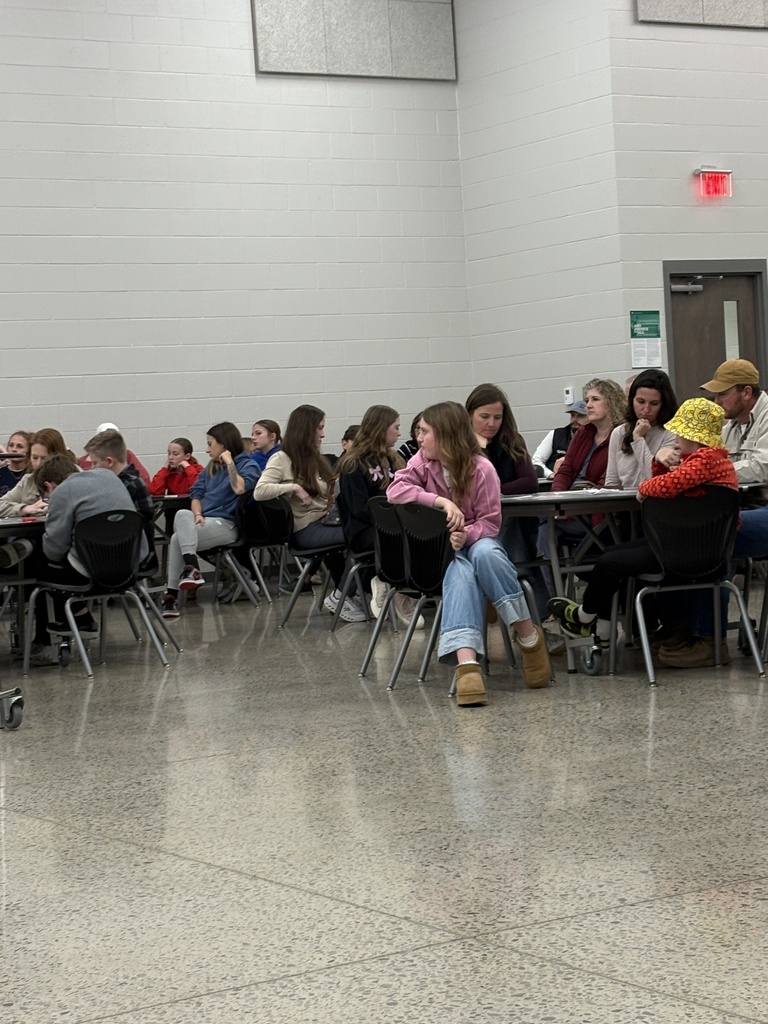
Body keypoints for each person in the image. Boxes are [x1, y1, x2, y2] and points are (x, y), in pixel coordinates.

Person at [548, 398, 738, 667]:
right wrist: (661, 462)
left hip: (684, 552)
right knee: (612, 554)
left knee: (609, 561)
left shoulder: (704, 460)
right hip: (696, 549)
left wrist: (645, 488)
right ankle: (590, 620)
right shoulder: (711, 460)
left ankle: (585, 618)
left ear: (689, 435)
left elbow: (664, 486)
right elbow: (666, 479)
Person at [387, 401, 550, 705]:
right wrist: (441, 502)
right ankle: (474, 661)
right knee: (460, 569)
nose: (419, 439)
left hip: (475, 543)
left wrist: (464, 534)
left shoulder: (483, 469)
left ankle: (520, 641)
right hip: (440, 554)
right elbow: (394, 491)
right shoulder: (423, 461)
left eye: (425, 432)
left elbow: (489, 524)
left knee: (485, 553)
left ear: (446, 435)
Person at [253, 405, 366, 623]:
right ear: (306, 430)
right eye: (320, 428)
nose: (323, 434)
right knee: (362, 536)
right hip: (306, 530)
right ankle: (342, 596)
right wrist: (294, 487)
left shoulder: (313, 457)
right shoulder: (282, 458)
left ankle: (347, 595)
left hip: (322, 523)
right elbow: (260, 491)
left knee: (363, 533)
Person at [26, 454, 139, 664]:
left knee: (38, 563)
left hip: (89, 574)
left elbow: (54, 550)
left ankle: (48, 637)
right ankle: (80, 617)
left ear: (49, 486)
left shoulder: (62, 492)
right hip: (129, 569)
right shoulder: (108, 476)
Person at [160, 422, 260, 618]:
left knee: (176, 539)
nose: (206, 449)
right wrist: (197, 515)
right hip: (204, 522)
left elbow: (239, 488)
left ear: (223, 445)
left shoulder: (248, 464)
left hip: (227, 525)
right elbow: (195, 495)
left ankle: (172, 595)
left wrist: (230, 462)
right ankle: (190, 570)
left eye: (210, 444)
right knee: (182, 516)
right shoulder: (210, 468)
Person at [334, 404, 422, 628]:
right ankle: (389, 584)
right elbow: (359, 509)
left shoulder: (393, 459)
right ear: (381, 428)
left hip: (392, 525)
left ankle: (401, 591)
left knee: (424, 537)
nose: (399, 433)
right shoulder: (353, 464)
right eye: (396, 427)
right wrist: (393, 520)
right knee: (404, 539)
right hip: (364, 531)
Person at [86, 429, 157, 574]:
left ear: (109, 462)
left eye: (94, 463)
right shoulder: (127, 483)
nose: (92, 469)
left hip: (127, 557)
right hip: (126, 554)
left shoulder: (124, 486)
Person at [699, 358, 768, 506]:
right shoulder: (731, 425)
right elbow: (712, 457)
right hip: (741, 504)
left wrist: (709, 471)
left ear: (746, 393)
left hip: (762, 506)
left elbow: (761, 468)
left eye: (723, 394)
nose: (717, 402)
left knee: (715, 525)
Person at [604, 370, 679, 489]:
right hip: (624, 502)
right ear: (631, 400)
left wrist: (638, 439)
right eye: (640, 401)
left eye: (654, 403)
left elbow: (655, 478)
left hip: (655, 500)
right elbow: (612, 481)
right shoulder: (619, 432)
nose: (646, 409)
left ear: (663, 404)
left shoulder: (672, 433)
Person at [550, 379, 627, 491]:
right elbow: (566, 470)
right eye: (587, 400)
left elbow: (607, 481)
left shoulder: (622, 435)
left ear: (612, 402)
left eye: (595, 399)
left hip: (595, 500)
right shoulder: (583, 433)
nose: (588, 406)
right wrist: (557, 497)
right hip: (570, 497)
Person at [0, 428, 75, 518]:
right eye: (34, 458)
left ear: (57, 456)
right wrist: (24, 509)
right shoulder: (29, 481)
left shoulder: (75, 477)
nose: (38, 464)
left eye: (44, 458)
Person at [77, 422, 150, 485]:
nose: (92, 467)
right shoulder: (132, 481)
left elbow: (145, 478)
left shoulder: (124, 485)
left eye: (95, 463)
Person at [531, 402, 589, 480]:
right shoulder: (555, 434)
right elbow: (536, 461)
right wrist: (550, 474)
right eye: (573, 415)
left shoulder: (594, 438)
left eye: (580, 416)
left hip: (580, 483)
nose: (575, 420)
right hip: (552, 482)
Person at [0, 431, 31, 497]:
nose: (14, 449)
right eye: (11, 445)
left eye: (20, 447)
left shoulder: (32, 474)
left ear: (29, 450)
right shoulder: (1, 473)